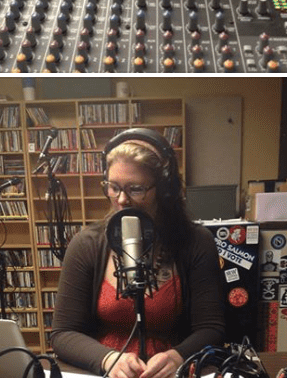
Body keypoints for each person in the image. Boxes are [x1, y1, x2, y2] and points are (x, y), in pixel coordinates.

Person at [50, 128, 224, 378]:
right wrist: (107, 358)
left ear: (163, 190)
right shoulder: (86, 244)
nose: (122, 200)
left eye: (136, 188)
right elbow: (63, 333)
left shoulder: (196, 242)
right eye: (113, 187)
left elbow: (212, 328)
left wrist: (179, 356)